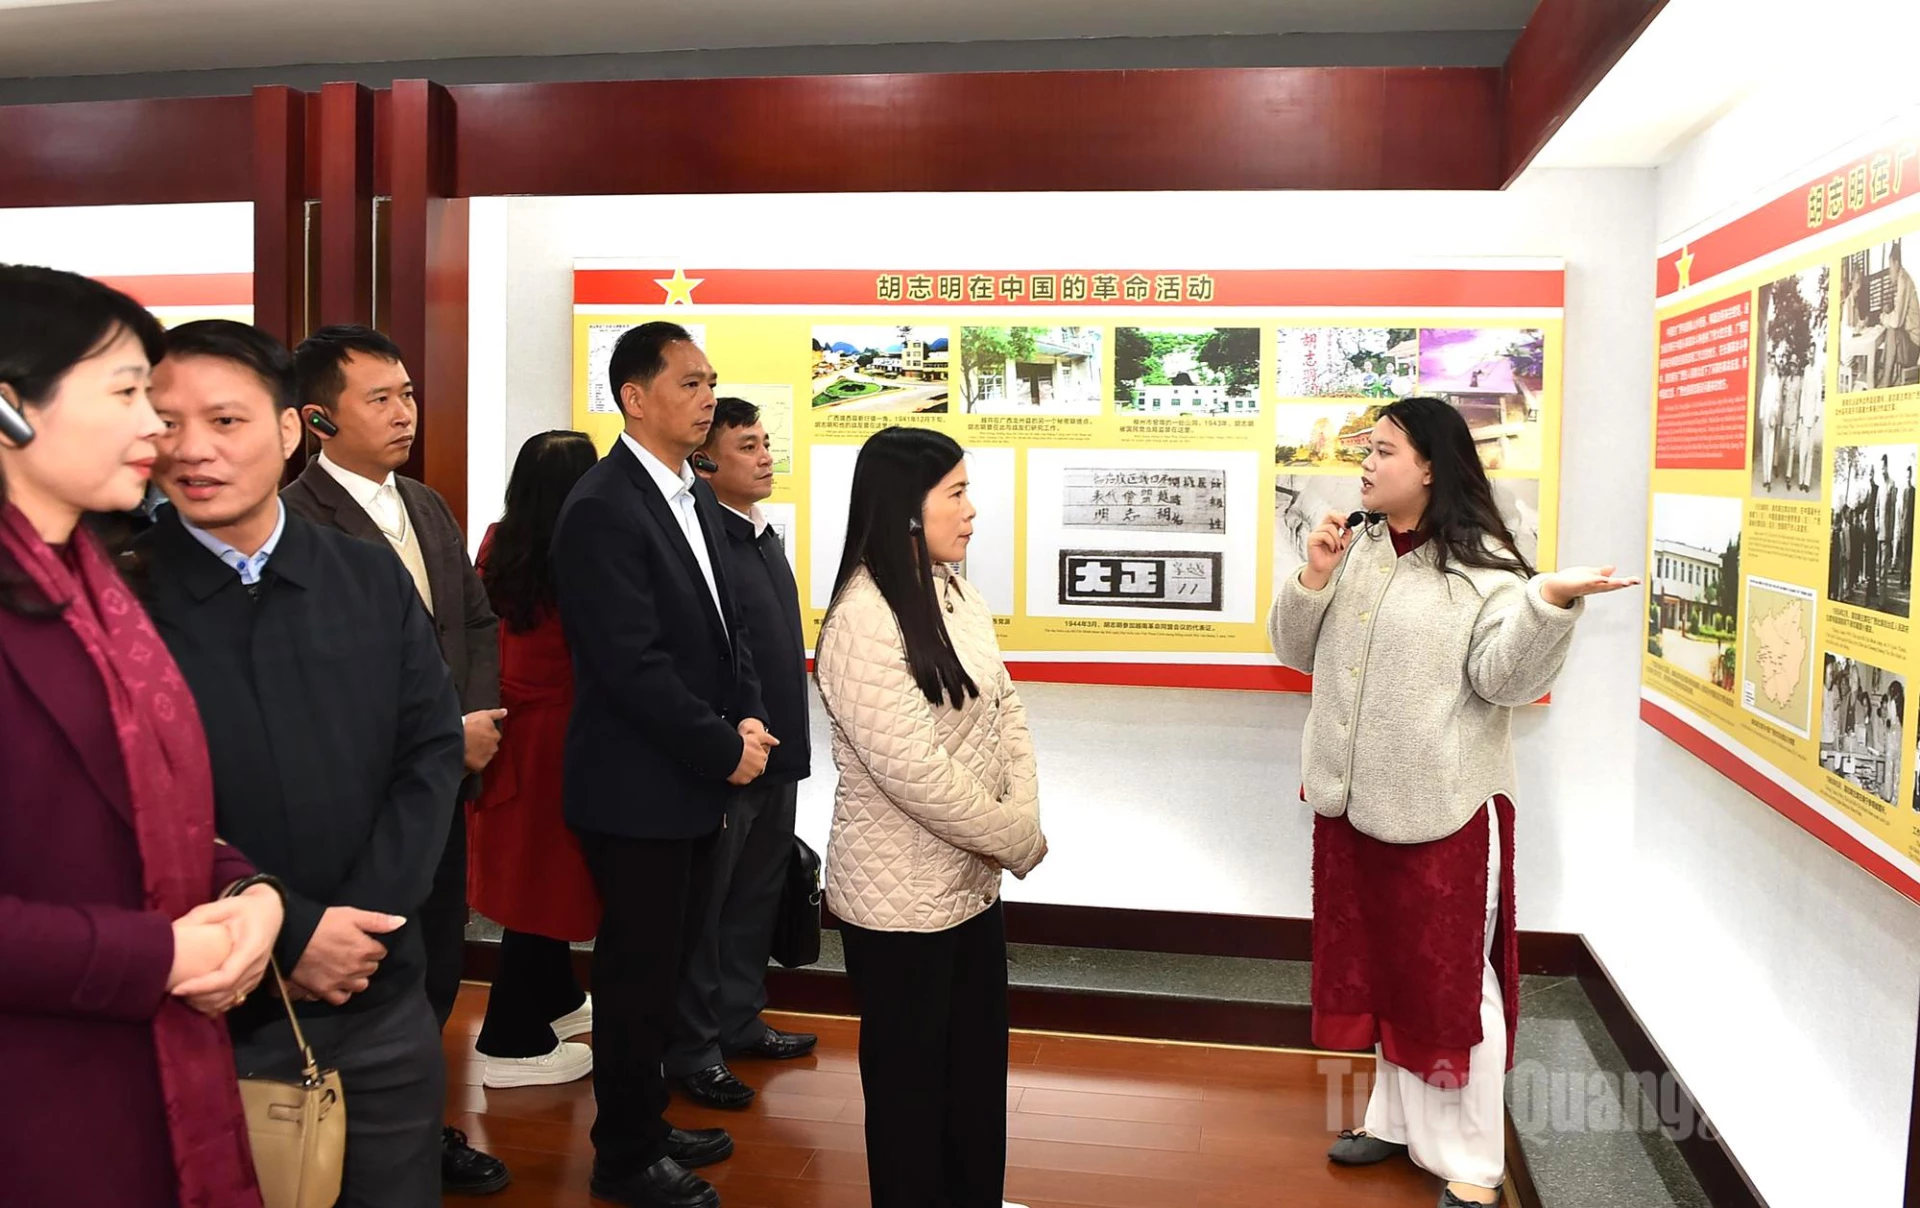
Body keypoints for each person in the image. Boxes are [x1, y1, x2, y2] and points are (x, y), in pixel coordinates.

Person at [1269, 397, 1635, 1208]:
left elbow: (1506, 682)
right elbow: (1295, 652)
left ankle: (1473, 1163)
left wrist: (1548, 602)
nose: (1365, 464)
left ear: (1431, 467)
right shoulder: (1357, 547)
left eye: (1384, 451)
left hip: (1444, 809)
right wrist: (1314, 575)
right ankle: (1396, 1122)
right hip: (1351, 804)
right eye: (1367, 449)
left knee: (1454, 988)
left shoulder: (1488, 568)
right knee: (1381, 971)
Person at [137, 319, 466, 1208]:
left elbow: (429, 752)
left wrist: (356, 930)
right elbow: (132, 811)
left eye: (225, 421)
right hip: (208, 1002)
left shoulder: (365, 575)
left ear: (290, 429)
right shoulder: (124, 597)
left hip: (377, 988)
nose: (193, 449)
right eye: (166, 423)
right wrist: (292, 933)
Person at [0, 266, 282, 1208]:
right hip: (40, 1089)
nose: (156, 429)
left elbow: (143, 804)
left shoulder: (93, 579)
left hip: (146, 1066)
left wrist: (246, 892)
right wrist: (157, 956)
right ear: (9, 408)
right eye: (126, 393)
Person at [280, 325, 509, 1194]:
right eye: (380, 398)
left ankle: (423, 1126)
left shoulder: (427, 504)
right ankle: (346, 1140)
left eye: (407, 393)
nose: (405, 412)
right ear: (318, 419)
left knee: (437, 962)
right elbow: (324, 674)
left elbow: (475, 622)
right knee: (366, 973)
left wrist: (471, 719)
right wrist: (446, 738)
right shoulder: (296, 518)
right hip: (359, 801)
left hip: (442, 791)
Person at [553, 322, 771, 1208]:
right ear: (633, 398)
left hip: (691, 774)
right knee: (636, 977)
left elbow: (728, 629)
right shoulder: (603, 505)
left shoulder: (691, 492)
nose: (708, 397)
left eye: (711, 381)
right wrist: (724, 747)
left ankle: (645, 1120)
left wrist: (747, 714)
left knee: (670, 965)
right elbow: (628, 663)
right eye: (689, 383)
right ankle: (624, 1158)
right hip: (636, 785)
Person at [814, 426, 1047, 1208]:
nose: (972, 511)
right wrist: (1015, 836)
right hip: (900, 901)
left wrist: (1021, 813)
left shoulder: (955, 593)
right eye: (957, 493)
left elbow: (1005, 709)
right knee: (911, 1094)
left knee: (975, 1076)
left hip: (968, 886)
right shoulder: (862, 619)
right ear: (907, 508)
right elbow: (913, 773)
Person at [669, 398, 818, 1110]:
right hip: (732, 755)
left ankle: (738, 1019)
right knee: (706, 908)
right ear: (705, 462)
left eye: (765, 443)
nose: (765, 457)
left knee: (757, 896)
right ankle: (693, 1049)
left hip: (779, 750)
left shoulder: (762, 534)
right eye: (747, 447)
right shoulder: (703, 540)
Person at [470, 430, 602, 1088]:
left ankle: (557, 996)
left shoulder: (500, 541)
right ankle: (511, 1039)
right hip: (561, 734)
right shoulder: (581, 551)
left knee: (534, 875)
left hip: (510, 731)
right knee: (548, 882)